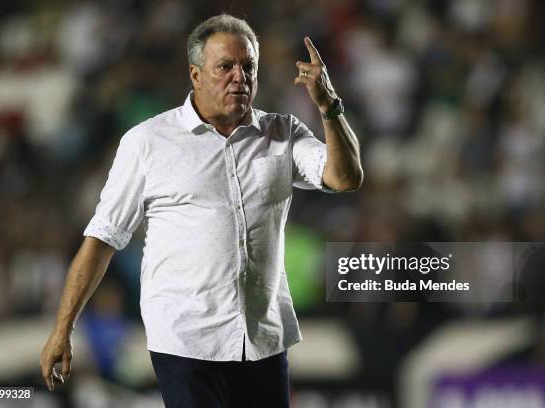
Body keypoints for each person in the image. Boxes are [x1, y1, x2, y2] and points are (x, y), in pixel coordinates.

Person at [40, 14, 363, 408]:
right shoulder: (148, 143)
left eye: (248, 67)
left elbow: (345, 177)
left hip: (262, 339)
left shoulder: (284, 132)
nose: (239, 77)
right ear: (195, 75)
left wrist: (329, 107)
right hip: (186, 341)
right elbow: (102, 239)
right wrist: (63, 329)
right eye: (225, 66)